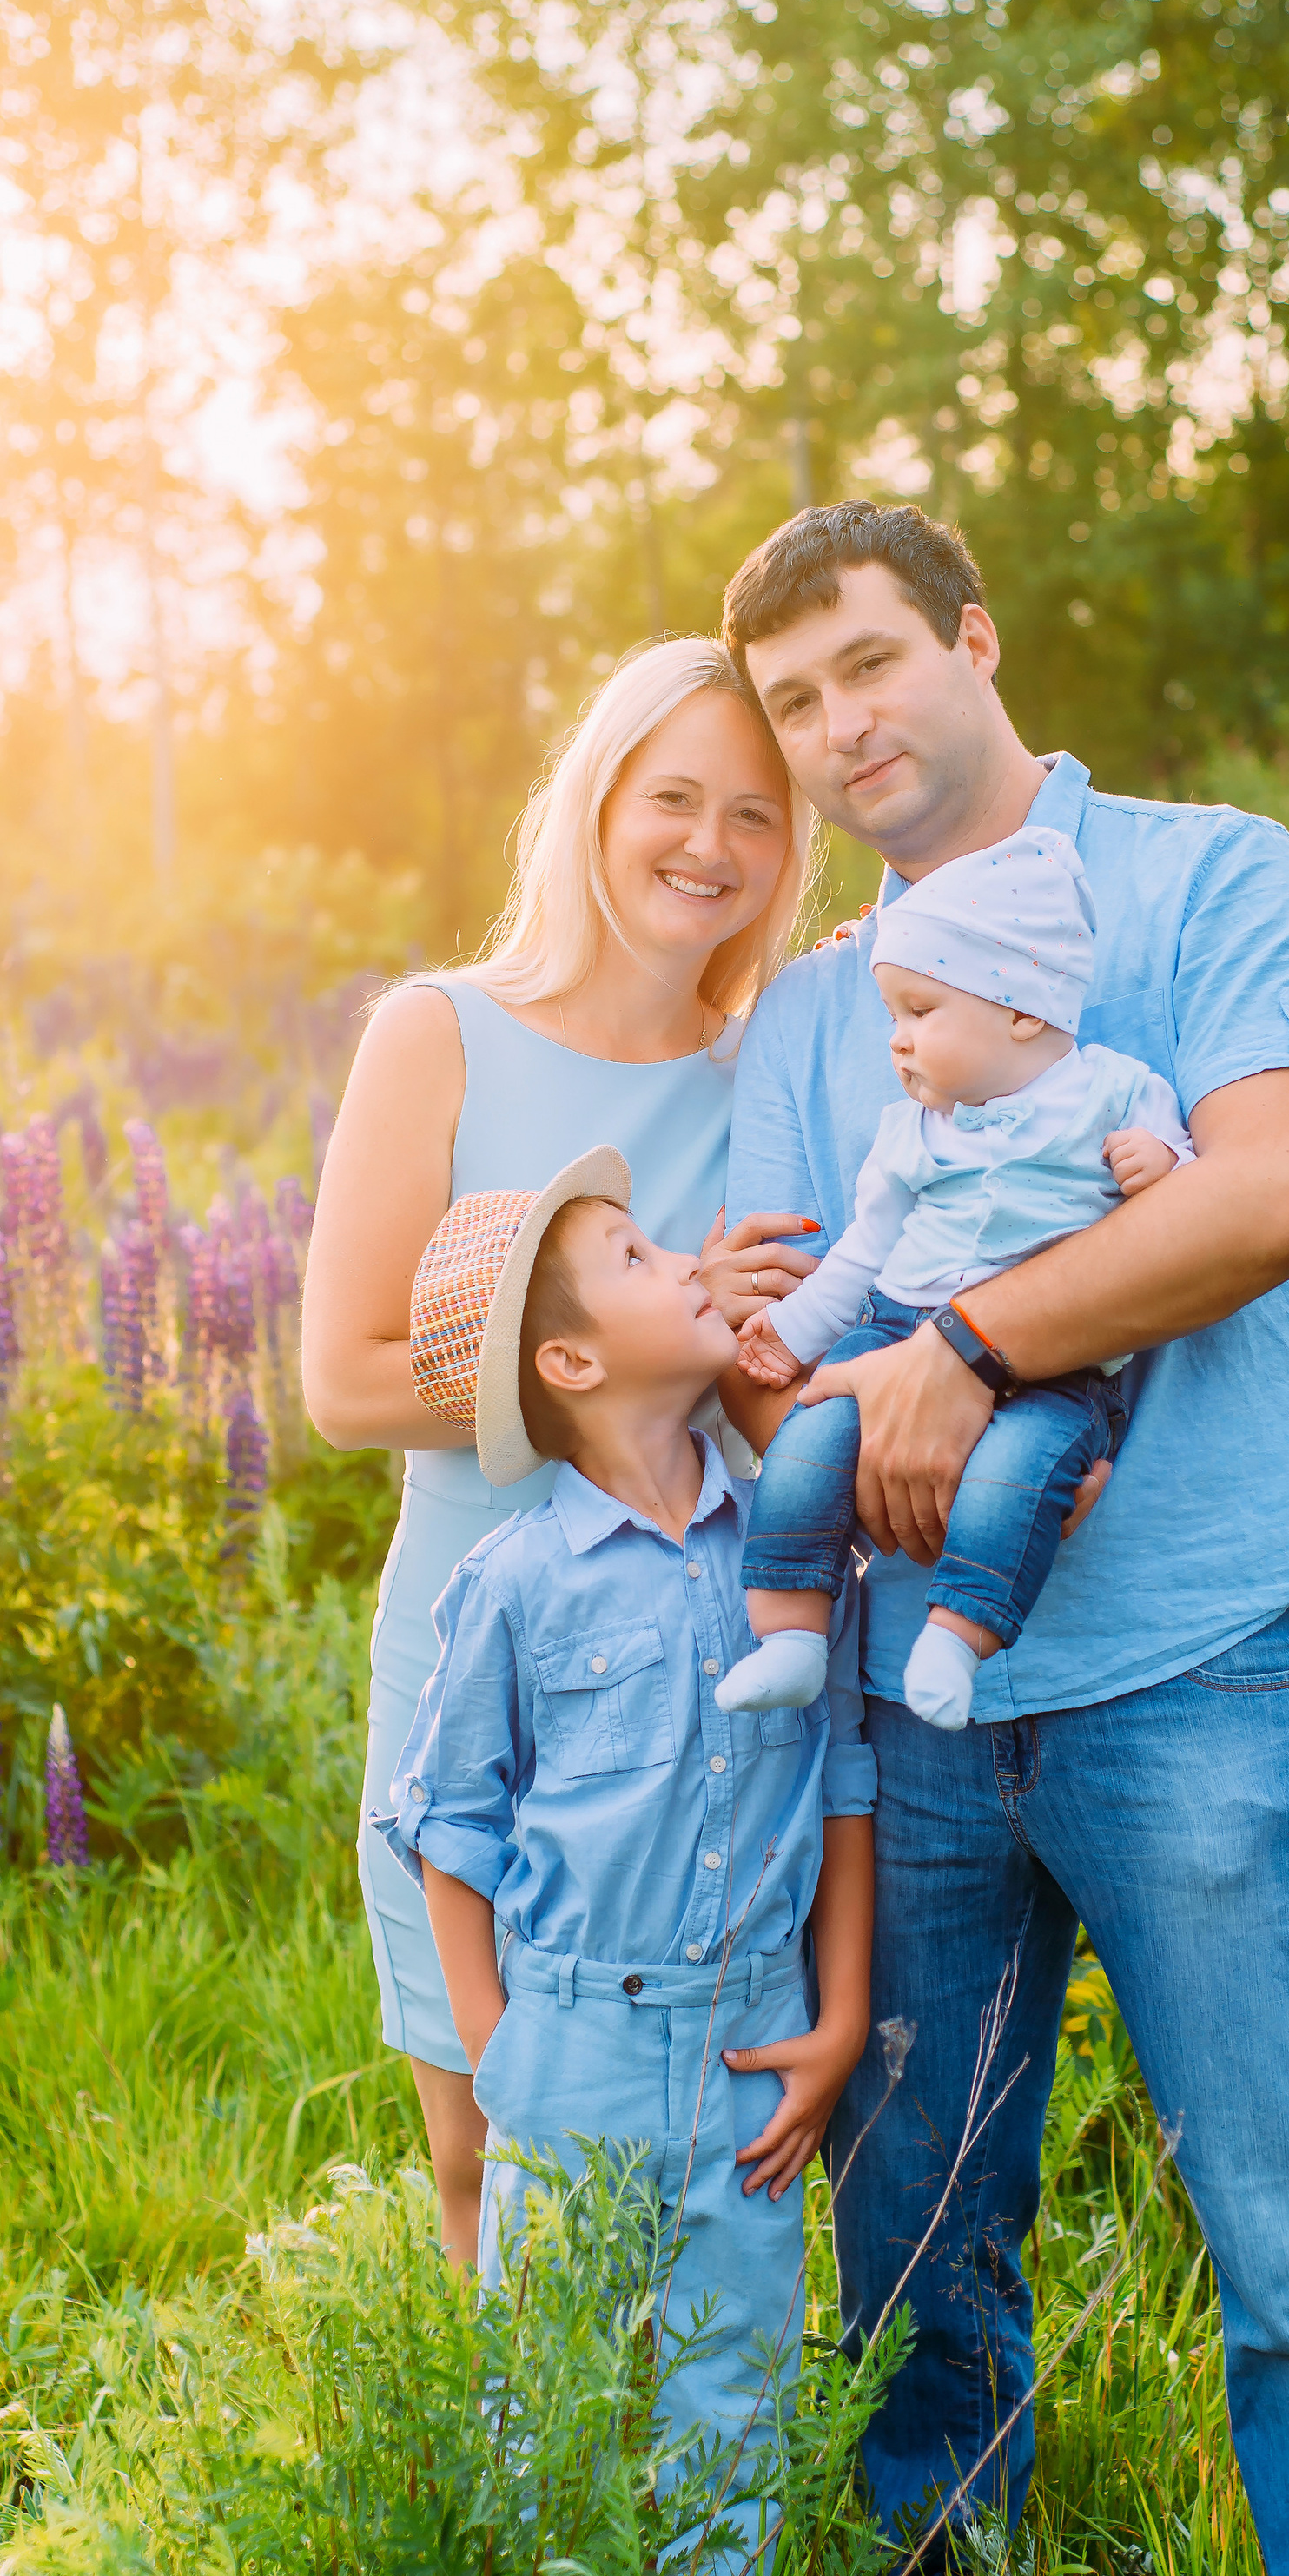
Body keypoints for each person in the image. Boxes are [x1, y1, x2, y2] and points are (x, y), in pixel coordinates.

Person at [717, 499, 1289, 2576]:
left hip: (1197, 1682)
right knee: (920, 2253)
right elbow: (766, 1346)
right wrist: (871, 1377)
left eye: (869, 663)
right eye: (792, 700)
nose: (840, 723)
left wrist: (959, 1344)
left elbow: (1264, 1194)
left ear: (974, 634)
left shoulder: (1209, 874)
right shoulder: (804, 1014)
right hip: (908, 1718)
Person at [301, 639, 823, 2266]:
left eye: (755, 810)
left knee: (693, 2144)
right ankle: (512, 2511)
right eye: (672, 796)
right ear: (596, 804)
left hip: (693, 1670)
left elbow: (774, 1383)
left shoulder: (769, 1065)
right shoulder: (440, 1030)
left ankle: (689, 2498)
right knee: (480, 2142)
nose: (709, 845)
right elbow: (345, 1377)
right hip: (479, 1654)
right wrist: (593, 1366)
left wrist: (745, 1356)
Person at [375, 1151, 876, 2576]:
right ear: (572, 1359)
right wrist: (497, 2044)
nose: (692, 1265)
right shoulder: (519, 1576)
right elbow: (447, 1821)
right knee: (554, 2411)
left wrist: (839, 2017)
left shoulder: (790, 1547)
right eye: (646, 1255)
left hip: (753, 2049)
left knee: (735, 2409)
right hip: (576, 2044)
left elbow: (841, 1774)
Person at [715, 822, 1192, 1733]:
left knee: (1020, 1470)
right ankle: (789, 1631)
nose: (895, 1042)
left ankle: (958, 1634)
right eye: (892, 1015)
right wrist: (793, 1333)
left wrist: (1159, 1160)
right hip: (895, 1322)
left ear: (1019, 1009)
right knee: (814, 1438)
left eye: (920, 1013)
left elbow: (1188, 1194)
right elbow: (860, 1252)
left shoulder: (1114, 1091)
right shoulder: (911, 1131)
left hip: (1057, 1358)